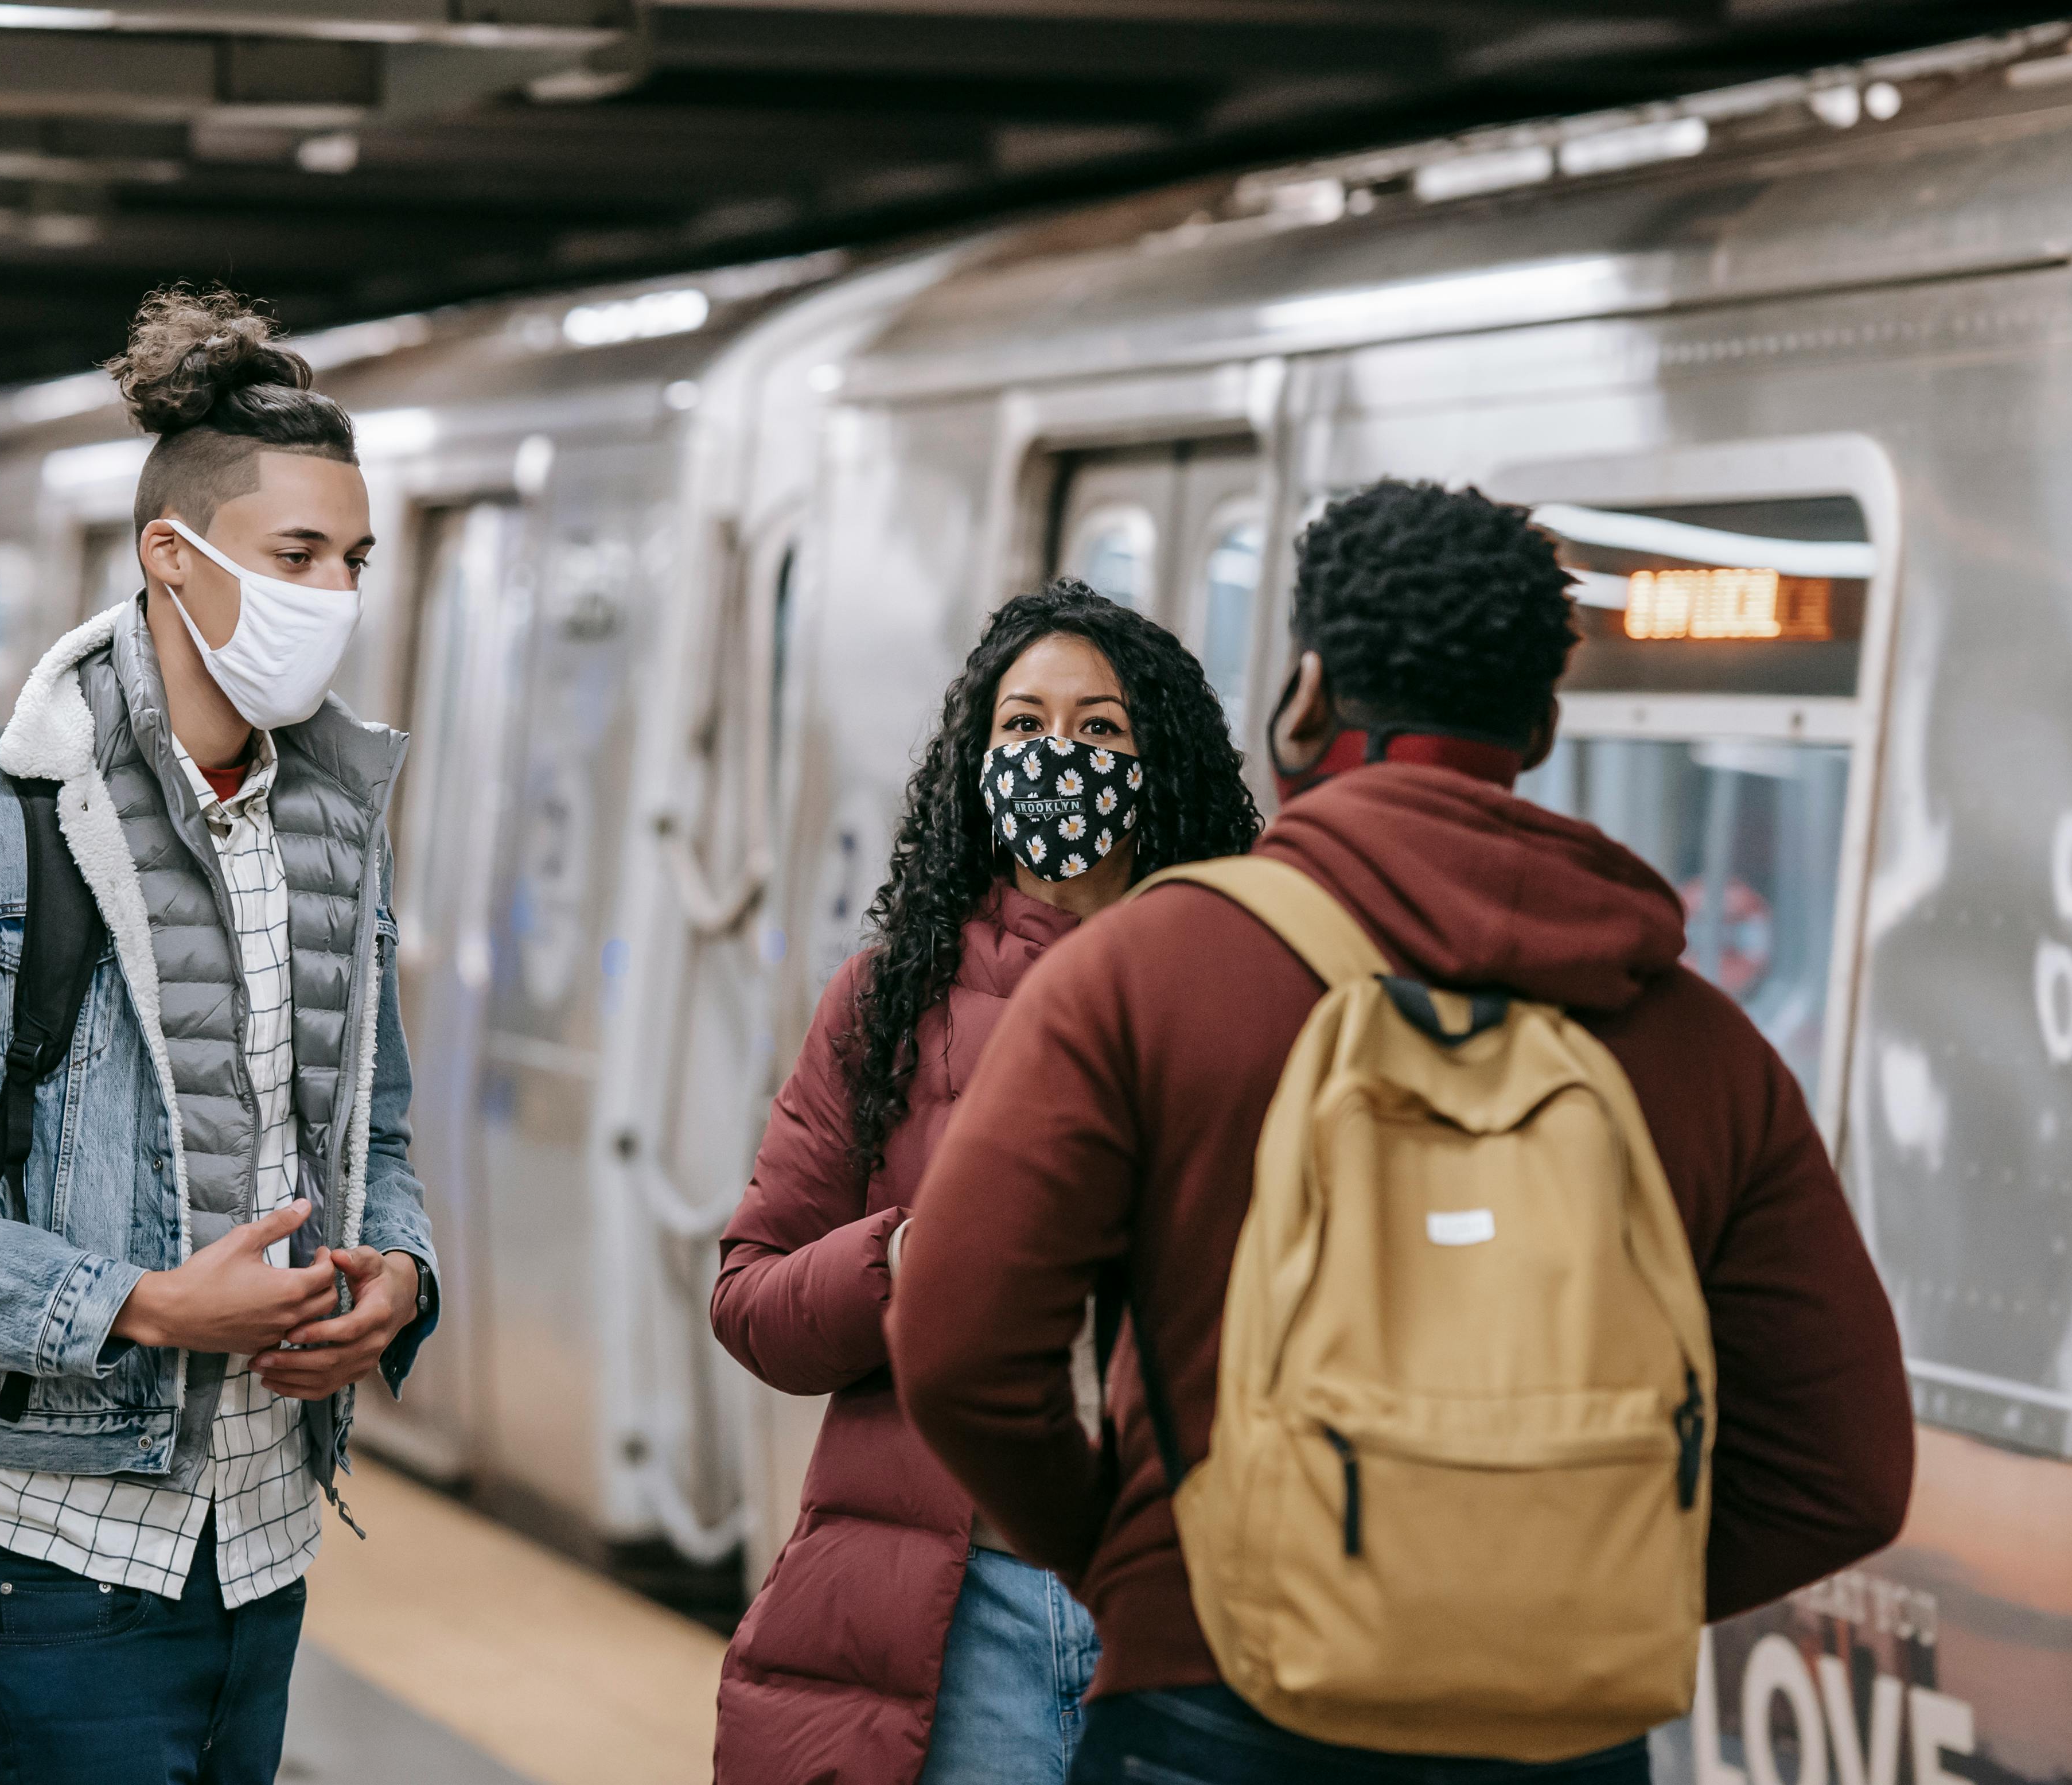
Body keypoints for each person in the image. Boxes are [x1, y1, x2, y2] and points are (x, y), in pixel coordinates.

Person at [887, 480, 1915, 1783]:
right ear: (1539, 723)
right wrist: (1556, 1593)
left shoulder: (1146, 971)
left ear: (1305, 699)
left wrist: (1148, 1563)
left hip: (1216, 1709)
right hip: (1561, 1739)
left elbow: (956, 1344)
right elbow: (1848, 1469)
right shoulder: (1694, 1038)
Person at [0, 286, 440, 1785]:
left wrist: (398, 1273)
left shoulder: (336, 830)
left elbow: (376, 1131)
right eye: (298, 558)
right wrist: (140, 1305)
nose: (334, 594)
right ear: (174, 555)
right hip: (72, 1545)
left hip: (272, 1530)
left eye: (353, 562)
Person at [712, 581, 1264, 1785]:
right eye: (1019, 727)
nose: (1053, 758)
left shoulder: (1241, 990)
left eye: (1100, 729)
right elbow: (750, 1301)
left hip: (1193, 1609)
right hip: (965, 1615)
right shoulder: (886, 1000)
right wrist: (906, 1255)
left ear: (1159, 760)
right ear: (974, 758)